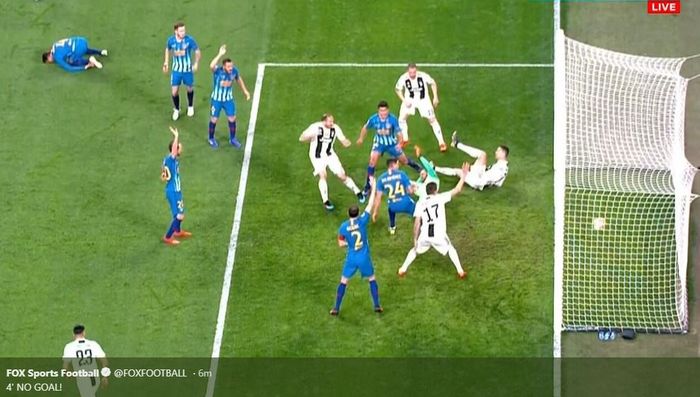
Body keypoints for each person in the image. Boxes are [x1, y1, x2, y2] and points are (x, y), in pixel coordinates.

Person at [398, 162, 470, 278]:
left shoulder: (420, 203)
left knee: (415, 250)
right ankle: (460, 271)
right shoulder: (440, 198)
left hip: (425, 233)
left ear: (426, 191)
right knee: (450, 248)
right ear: (435, 191)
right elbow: (457, 190)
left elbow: (417, 223)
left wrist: (415, 239)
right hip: (438, 233)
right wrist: (463, 176)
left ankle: (402, 269)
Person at [331, 178, 382, 315]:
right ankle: (377, 305)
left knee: (344, 281)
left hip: (352, 257)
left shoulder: (343, 227)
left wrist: (349, 243)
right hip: (364, 257)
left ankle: (336, 307)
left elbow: (341, 243)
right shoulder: (363, 221)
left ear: (348, 214)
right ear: (358, 214)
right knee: (372, 279)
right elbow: (370, 204)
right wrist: (374, 185)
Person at [299, 114, 365, 210]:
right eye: (330, 121)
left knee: (342, 176)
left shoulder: (335, 128)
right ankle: (326, 201)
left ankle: (358, 192)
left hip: (330, 155)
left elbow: (343, 139)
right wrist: (309, 137)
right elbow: (301, 138)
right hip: (317, 156)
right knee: (323, 175)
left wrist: (346, 142)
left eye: (332, 121)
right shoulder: (315, 127)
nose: (332, 123)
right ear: (324, 121)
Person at [356, 100, 422, 195]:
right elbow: (365, 127)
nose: (383, 113)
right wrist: (361, 138)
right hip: (379, 143)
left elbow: (399, 133)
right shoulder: (373, 119)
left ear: (388, 110)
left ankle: (418, 168)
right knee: (372, 162)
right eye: (381, 111)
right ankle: (368, 186)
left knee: (404, 160)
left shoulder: (392, 119)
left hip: (391, 144)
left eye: (385, 111)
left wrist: (399, 144)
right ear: (378, 111)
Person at [394, 63, 447, 151]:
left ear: (416, 70)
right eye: (411, 73)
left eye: (414, 72)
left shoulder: (423, 76)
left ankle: (441, 143)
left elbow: (433, 83)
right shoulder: (403, 77)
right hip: (409, 100)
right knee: (402, 119)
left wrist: (435, 97)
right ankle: (405, 139)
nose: (412, 74)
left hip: (424, 101)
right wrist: (404, 100)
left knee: (432, 120)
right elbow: (397, 89)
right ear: (408, 71)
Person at [207, 44, 251, 148]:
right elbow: (211, 66)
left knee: (232, 118)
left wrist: (245, 91)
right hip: (216, 100)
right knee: (214, 119)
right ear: (224, 67)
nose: (231, 68)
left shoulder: (234, 71)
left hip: (228, 100)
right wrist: (220, 54)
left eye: (231, 66)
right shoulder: (218, 71)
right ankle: (211, 138)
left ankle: (233, 139)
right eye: (229, 67)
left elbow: (238, 79)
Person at [433, 132, 510, 190]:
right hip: (482, 175)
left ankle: (435, 168)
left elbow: (490, 180)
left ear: (503, 153)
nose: (495, 152)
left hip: (478, 181)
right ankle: (457, 144)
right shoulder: (502, 165)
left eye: (498, 151)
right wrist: (474, 169)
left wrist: (471, 172)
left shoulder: (501, 168)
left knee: (458, 171)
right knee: (482, 155)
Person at [163, 22, 201, 121]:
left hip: (187, 70)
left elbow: (197, 51)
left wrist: (196, 63)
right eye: (181, 31)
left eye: (184, 30)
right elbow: (167, 49)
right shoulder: (171, 41)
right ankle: (176, 109)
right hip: (176, 71)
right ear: (176, 31)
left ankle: (190, 106)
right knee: (174, 91)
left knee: (189, 88)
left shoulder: (189, 40)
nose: (183, 32)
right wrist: (166, 62)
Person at [161, 126, 192, 245]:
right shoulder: (171, 158)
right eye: (179, 146)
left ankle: (178, 231)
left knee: (181, 214)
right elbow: (173, 151)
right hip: (172, 191)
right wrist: (176, 136)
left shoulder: (168, 160)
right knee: (178, 215)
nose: (181, 147)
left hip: (175, 190)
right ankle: (168, 237)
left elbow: (163, 175)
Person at [372, 158, 416, 234]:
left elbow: (378, 198)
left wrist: (375, 212)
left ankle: (392, 227)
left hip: (393, 206)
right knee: (418, 211)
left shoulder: (381, 178)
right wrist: (414, 188)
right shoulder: (402, 174)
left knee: (390, 208)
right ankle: (423, 226)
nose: (398, 166)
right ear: (393, 165)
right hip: (406, 204)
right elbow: (410, 191)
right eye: (397, 164)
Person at [62, 325, 108, 397]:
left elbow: (65, 366)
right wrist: (105, 376)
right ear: (84, 333)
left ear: (73, 334)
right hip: (94, 377)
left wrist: (67, 374)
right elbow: (104, 361)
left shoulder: (69, 347)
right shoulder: (93, 344)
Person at [42, 37, 107, 73]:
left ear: (49, 57)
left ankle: (89, 61)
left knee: (71, 61)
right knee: (82, 50)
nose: (51, 62)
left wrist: (84, 67)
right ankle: (101, 52)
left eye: (49, 61)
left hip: (78, 49)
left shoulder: (56, 57)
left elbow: (69, 68)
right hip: (82, 41)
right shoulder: (54, 45)